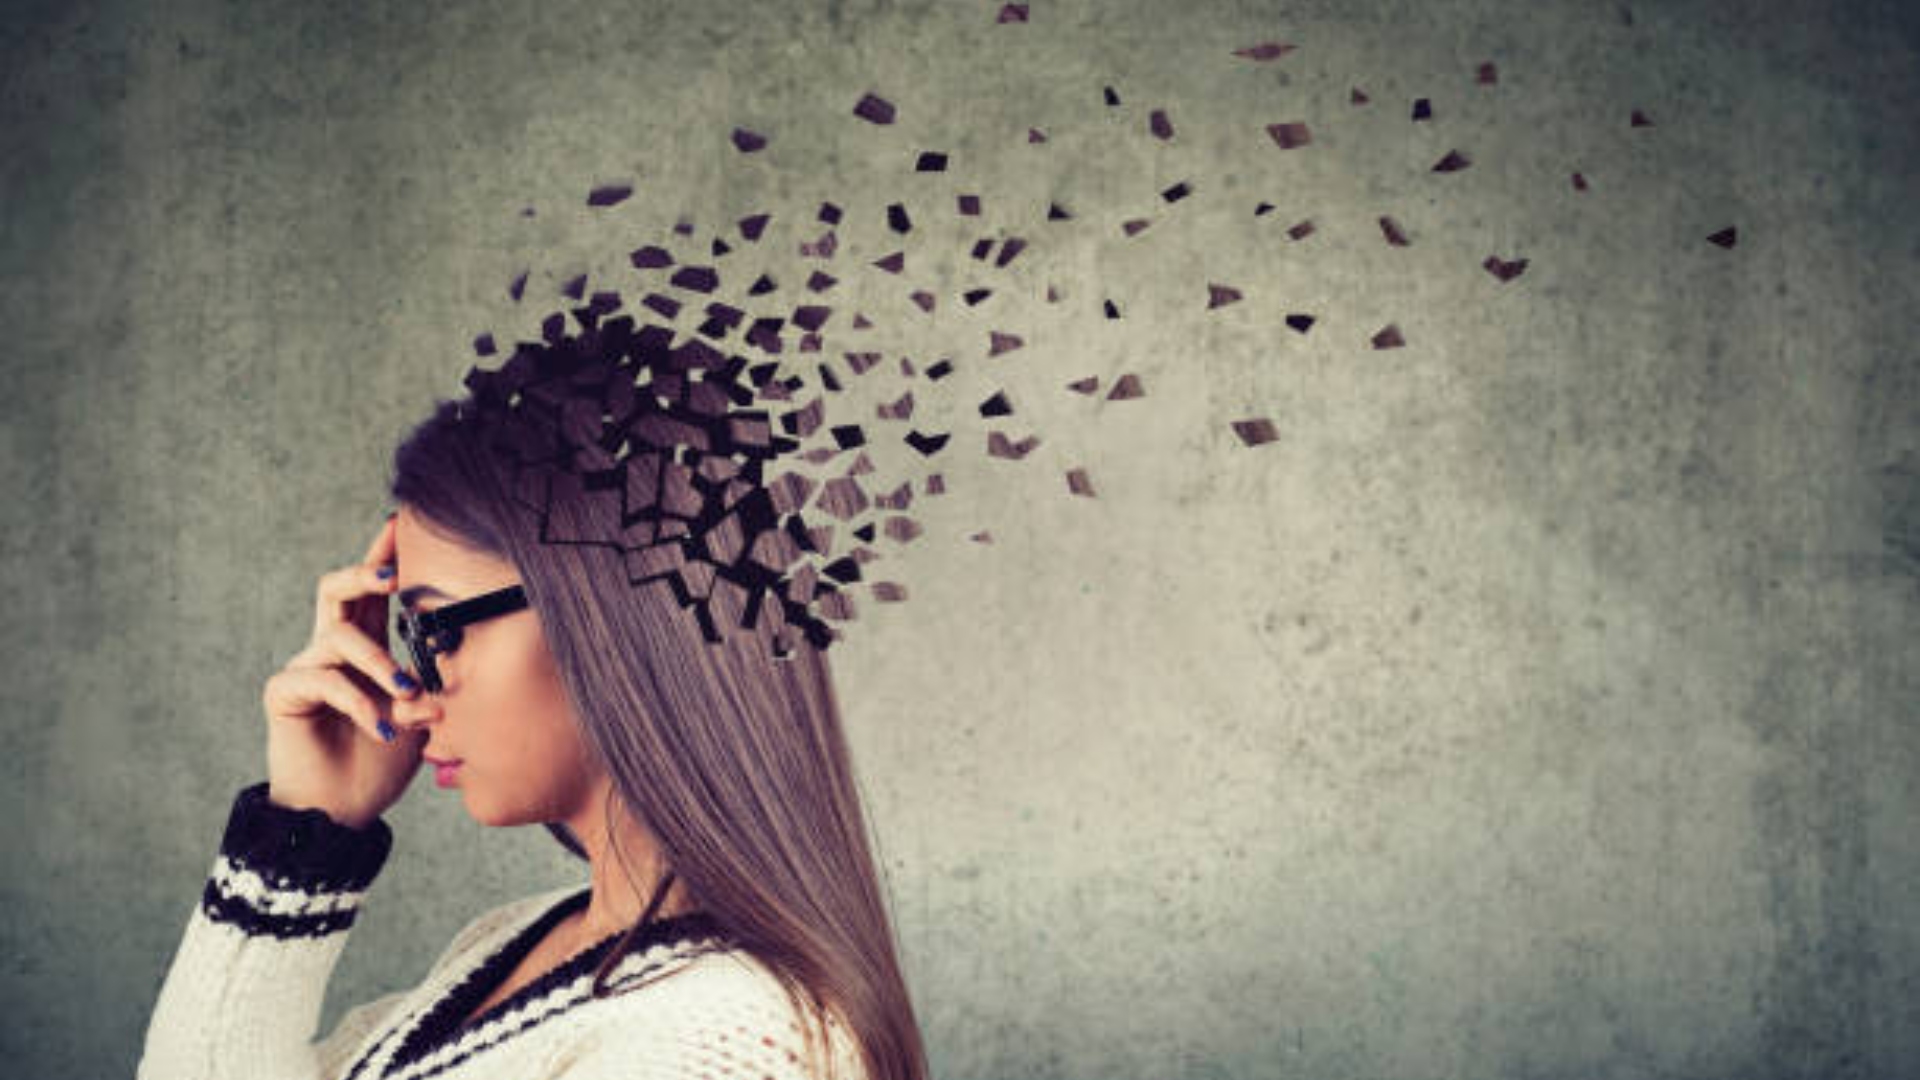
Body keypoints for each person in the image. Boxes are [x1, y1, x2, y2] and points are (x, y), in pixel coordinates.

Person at [137, 349, 929, 1079]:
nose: (405, 694)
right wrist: (304, 833)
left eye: (431, 627)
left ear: (605, 618)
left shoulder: (719, 1044)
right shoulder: (519, 940)